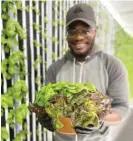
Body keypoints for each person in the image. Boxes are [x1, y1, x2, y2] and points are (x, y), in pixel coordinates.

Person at [38, 3, 130, 141]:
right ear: (66, 34)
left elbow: (122, 108)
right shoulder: (55, 69)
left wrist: (99, 118)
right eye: (72, 31)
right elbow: (45, 105)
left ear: (95, 31)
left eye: (85, 30)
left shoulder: (112, 66)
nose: (78, 37)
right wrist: (44, 116)